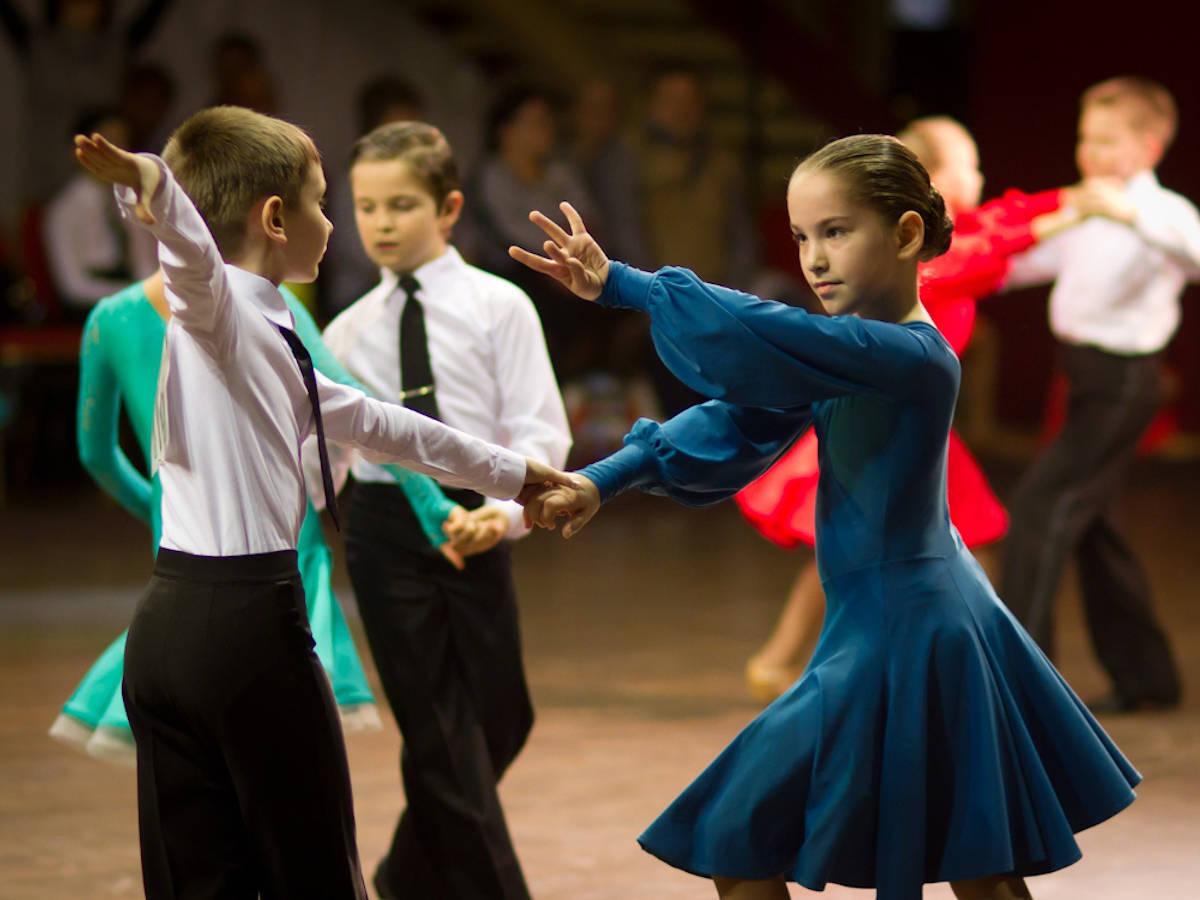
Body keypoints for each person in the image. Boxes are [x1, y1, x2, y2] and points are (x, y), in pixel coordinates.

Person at [510, 134, 1139, 900]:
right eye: (804, 237)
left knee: (758, 836)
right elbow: (736, 421)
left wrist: (626, 285)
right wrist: (601, 480)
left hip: (908, 628)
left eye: (835, 232)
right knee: (968, 852)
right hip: (896, 618)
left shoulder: (910, 355)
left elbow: (774, 332)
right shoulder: (844, 355)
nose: (813, 258)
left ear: (907, 234)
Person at [73, 107, 567, 899]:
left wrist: (524, 480)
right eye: (324, 201)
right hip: (247, 631)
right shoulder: (219, 314)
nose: (336, 225)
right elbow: (196, 261)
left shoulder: (268, 331)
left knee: (200, 877)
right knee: (314, 875)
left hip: (166, 628)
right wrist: (152, 183)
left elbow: (381, 423)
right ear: (275, 218)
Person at [51, 267, 471, 764]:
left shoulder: (111, 319)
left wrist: (163, 512)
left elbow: (96, 454)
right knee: (285, 759)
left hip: (183, 558)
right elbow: (356, 402)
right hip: (281, 549)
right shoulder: (269, 302)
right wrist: (431, 503)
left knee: (198, 759)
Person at [735, 116, 1081, 702]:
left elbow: (1004, 216)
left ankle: (931, 661)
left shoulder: (948, 231)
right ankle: (808, 662)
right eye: (969, 166)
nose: (981, 177)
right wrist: (1068, 217)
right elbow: (987, 245)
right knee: (894, 551)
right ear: (937, 178)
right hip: (883, 424)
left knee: (934, 549)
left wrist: (1068, 197)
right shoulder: (922, 254)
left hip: (913, 421)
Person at [323, 121, 571, 900]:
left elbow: (540, 430)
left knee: (502, 717)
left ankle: (404, 875)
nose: (382, 223)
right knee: (437, 729)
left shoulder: (500, 307)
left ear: (450, 206)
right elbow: (328, 458)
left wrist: (502, 515)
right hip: (386, 528)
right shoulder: (344, 331)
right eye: (366, 207)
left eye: (401, 204)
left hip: (478, 516)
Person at [1000, 77, 1195, 713]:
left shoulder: (1161, 210)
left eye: (1109, 141)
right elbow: (1025, 263)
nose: (1093, 152)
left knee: (1038, 509)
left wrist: (1129, 214)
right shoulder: (1088, 207)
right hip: (1084, 381)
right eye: (1087, 138)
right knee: (1092, 526)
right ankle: (1148, 679)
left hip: (1122, 385)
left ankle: (1020, 686)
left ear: (1150, 144)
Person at [457, 84, 598, 379]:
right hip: (517, 273)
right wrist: (557, 262)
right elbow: (508, 236)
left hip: (568, 268)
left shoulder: (561, 173)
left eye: (548, 122)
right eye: (535, 122)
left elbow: (587, 220)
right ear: (506, 130)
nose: (545, 130)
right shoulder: (490, 177)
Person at [42, 110, 157, 313]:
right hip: (91, 310)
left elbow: (146, 265)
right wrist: (133, 295)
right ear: (80, 151)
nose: (117, 154)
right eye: (108, 144)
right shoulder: (64, 210)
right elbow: (72, 288)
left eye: (122, 143)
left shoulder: (133, 201)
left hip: (138, 304)